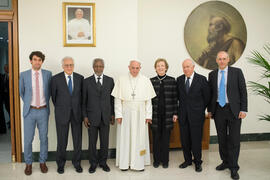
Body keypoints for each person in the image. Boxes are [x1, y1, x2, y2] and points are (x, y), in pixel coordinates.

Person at [208, 51, 247, 180]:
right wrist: (210, 110)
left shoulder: (237, 72)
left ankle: (234, 167)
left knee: (234, 140)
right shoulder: (212, 74)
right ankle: (225, 162)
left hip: (234, 110)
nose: (222, 61)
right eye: (220, 59)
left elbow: (243, 91)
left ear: (228, 60)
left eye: (224, 59)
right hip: (218, 109)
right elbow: (211, 94)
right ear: (217, 60)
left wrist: (244, 109)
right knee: (222, 138)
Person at [112, 60, 156, 171]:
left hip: (141, 114)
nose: (135, 70)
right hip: (125, 113)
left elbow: (148, 101)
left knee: (140, 138)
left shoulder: (145, 80)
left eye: (137, 68)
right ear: (129, 67)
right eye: (133, 68)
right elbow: (117, 99)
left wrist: (148, 116)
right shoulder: (121, 79)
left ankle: (139, 163)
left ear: (140, 68)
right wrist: (118, 114)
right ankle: (124, 163)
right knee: (125, 138)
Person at [19, 51, 52, 175]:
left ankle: (42, 162)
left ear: (42, 61)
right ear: (31, 61)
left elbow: (49, 91)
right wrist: (29, 104)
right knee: (28, 140)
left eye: (39, 60)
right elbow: (21, 92)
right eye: (35, 59)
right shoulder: (23, 75)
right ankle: (28, 164)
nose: (37, 62)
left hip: (43, 110)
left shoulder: (48, 74)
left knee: (44, 138)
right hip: (29, 112)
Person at [51, 57, 84, 174]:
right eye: (66, 65)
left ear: (74, 65)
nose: (69, 67)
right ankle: (60, 164)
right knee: (61, 141)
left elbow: (82, 98)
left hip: (76, 114)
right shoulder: (55, 79)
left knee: (77, 141)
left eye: (71, 65)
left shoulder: (80, 78)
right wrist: (62, 107)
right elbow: (54, 98)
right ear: (62, 66)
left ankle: (77, 163)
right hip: (61, 114)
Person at [176, 59, 210, 172]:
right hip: (183, 115)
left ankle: (198, 161)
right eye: (184, 67)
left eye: (188, 66)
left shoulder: (202, 79)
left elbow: (207, 97)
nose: (186, 69)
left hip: (197, 116)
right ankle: (187, 160)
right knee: (185, 140)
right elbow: (178, 98)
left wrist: (199, 109)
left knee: (196, 140)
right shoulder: (180, 80)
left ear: (193, 67)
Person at [82, 58, 115, 173]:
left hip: (106, 117)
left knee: (104, 142)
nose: (98, 68)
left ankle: (103, 162)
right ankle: (93, 163)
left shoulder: (110, 81)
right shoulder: (86, 82)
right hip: (91, 117)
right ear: (93, 67)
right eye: (96, 66)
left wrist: (112, 114)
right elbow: (83, 101)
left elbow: (112, 100)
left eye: (100, 66)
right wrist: (85, 116)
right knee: (92, 142)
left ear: (103, 67)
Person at [150, 58, 178, 168]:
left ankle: (165, 161)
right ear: (155, 68)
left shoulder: (172, 80)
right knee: (156, 139)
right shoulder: (151, 81)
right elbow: (149, 100)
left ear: (166, 67)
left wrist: (175, 113)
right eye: (158, 66)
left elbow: (175, 98)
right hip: (155, 115)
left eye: (162, 65)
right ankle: (156, 160)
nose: (160, 67)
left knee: (166, 139)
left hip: (168, 115)